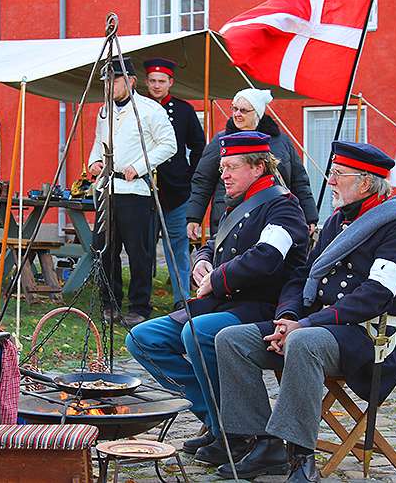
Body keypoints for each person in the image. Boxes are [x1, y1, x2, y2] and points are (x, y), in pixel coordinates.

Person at [213, 142, 396, 481]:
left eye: (337, 174)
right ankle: (263, 445)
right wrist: (289, 316)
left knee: (304, 342)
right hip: (315, 326)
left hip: (366, 337)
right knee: (231, 340)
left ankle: (301, 456)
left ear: (365, 182)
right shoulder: (338, 221)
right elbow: (302, 275)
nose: (330, 181)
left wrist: (306, 324)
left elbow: (375, 295)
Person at [126, 131, 309, 466]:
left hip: (261, 307)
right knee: (142, 338)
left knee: (198, 333)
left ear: (258, 167)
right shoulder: (237, 201)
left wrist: (217, 278)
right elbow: (214, 244)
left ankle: (242, 433)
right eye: (222, 167)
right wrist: (202, 262)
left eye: (231, 167)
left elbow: (267, 256)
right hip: (224, 303)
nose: (223, 175)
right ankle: (219, 422)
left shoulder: (283, 206)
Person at [88, 57, 177, 326]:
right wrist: (94, 161)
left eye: (114, 80)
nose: (109, 85)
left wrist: (138, 167)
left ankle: (139, 306)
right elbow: (98, 141)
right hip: (108, 188)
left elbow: (168, 144)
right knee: (104, 249)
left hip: (135, 190)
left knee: (139, 253)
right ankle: (110, 302)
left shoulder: (149, 110)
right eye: (106, 81)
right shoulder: (104, 111)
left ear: (130, 81)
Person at [186, 88, 318, 241]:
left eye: (243, 110)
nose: (237, 114)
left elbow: (299, 180)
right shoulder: (221, 141)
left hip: (274, 213)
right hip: (230, 215)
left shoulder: (281, 141)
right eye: (234, 108)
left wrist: (309, 216)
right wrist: (194, 217)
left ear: (257, 113)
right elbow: (203, 180)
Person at [143, 58, 206, 309]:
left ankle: (182, 298)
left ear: (170, 82)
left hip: (177, 190)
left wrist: (190, 175)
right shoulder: (139, 107)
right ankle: (141, 300)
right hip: (143, 189)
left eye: (162, 81)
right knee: (143, 248)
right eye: (153, 81)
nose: (157, 86)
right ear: (146, 82)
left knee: (178, 245)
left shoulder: (183, 110)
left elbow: (199, 145)